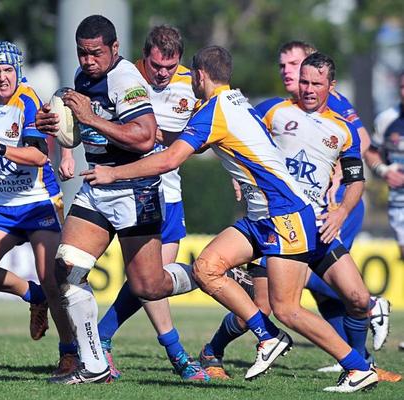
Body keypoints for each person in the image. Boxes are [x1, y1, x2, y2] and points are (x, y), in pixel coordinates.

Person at [83, 46, 378, 392]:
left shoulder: (216, 110)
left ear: (199, 76)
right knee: (206, 268)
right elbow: (192, 143)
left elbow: (169, 161)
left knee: (286, 308)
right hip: (262, 215)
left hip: (283, 215)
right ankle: (267, 338)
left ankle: (357, 368)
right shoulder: (234, 101)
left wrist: (113, 174)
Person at [198, 41, 397, 382]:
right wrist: (241, 178)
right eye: (303, 81)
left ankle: (361, 366)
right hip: (278, 222)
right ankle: (212, 351)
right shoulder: (274, 110)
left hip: (318, 224)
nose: (307, 89)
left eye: (315, 84)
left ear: (330, 87)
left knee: (359, 298)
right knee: (264, 308)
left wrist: (341, 213)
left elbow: (356, 182)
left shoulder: (342, 129)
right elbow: (238, 139)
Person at [35, 15, 200, 384]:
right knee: (66, 270)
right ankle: (93, 364)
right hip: (98, 187)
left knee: (148, 286)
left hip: (134, 190)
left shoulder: (126, 80)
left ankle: (205, 273)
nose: (88, 60)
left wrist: (90, 119)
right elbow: (82, 133)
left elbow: (144, 137)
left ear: (114, 49)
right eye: (82, 53)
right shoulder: (83, 78)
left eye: (96, 53)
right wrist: (60, 128)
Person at [0, 41, 77, 375]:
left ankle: (69, 353)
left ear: (18, 71)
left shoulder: (29, 100)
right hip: (3, 205)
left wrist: (1, 146)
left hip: (38, 201)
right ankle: (32, 296)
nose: (2, 78)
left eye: (8, 70)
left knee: (53, 280)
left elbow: (39, 155)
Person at [94, 25, 208, 381]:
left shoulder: (193, 83)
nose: (162, 74)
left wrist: (170, 137)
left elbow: (208, 134)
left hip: (169, 192)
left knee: (153, 281)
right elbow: (87, 115)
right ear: (145, 58)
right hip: (130, 192)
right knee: (149, 280)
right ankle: (176, 352)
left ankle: (100, 337)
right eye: (157, 66)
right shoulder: (125, 77)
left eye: (170, 67)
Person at [366, 71, 404, 261]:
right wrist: (384, 170)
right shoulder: (386, 119)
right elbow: (371, 152)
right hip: (399, 203)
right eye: (403, 88)